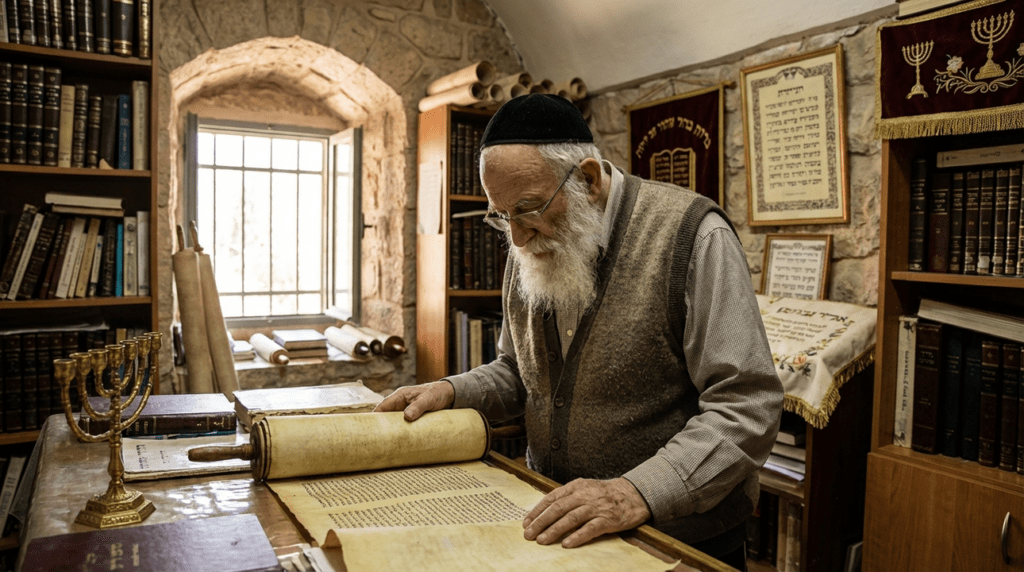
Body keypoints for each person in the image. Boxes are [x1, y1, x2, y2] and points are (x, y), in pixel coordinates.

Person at [377, 93, 783, 569]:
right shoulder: (527, 235)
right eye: (501, 215)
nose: (517, 236)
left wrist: (636, 492)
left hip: (677, 544)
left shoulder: (694, 236)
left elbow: (746, 406)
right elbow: (520, 371)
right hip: (562, 531)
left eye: (528, 209)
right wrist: (450, 391)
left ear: (588, 179)